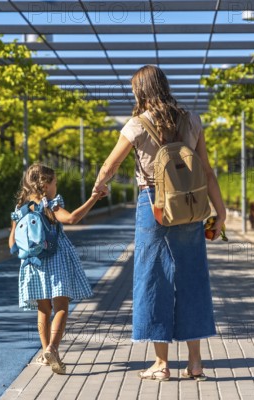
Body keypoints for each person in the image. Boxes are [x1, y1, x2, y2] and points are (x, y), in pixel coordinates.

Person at [93, 65, 226, 382]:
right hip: (190, 206)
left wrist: (100, 186)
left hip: (152, 204)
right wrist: (219, 213)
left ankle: (161, 364)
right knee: (192, 278)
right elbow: (207, 172)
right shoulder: (192, 120)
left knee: (153, 279)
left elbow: (110, 165)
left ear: (140, 91)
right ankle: (195, 363)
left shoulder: (137, 125)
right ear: (164, 86)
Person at [8, 163, 104, 375]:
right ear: (45, 184)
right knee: (61, 306)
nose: (56, 187)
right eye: (55, 183)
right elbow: (71, 218)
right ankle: (53, 348)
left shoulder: (19, 209)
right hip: (56, 259)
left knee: (43, 309)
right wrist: (94, 198)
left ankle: (44, 353)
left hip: (32, 263)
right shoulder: (49, 204)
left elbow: (12, 244)